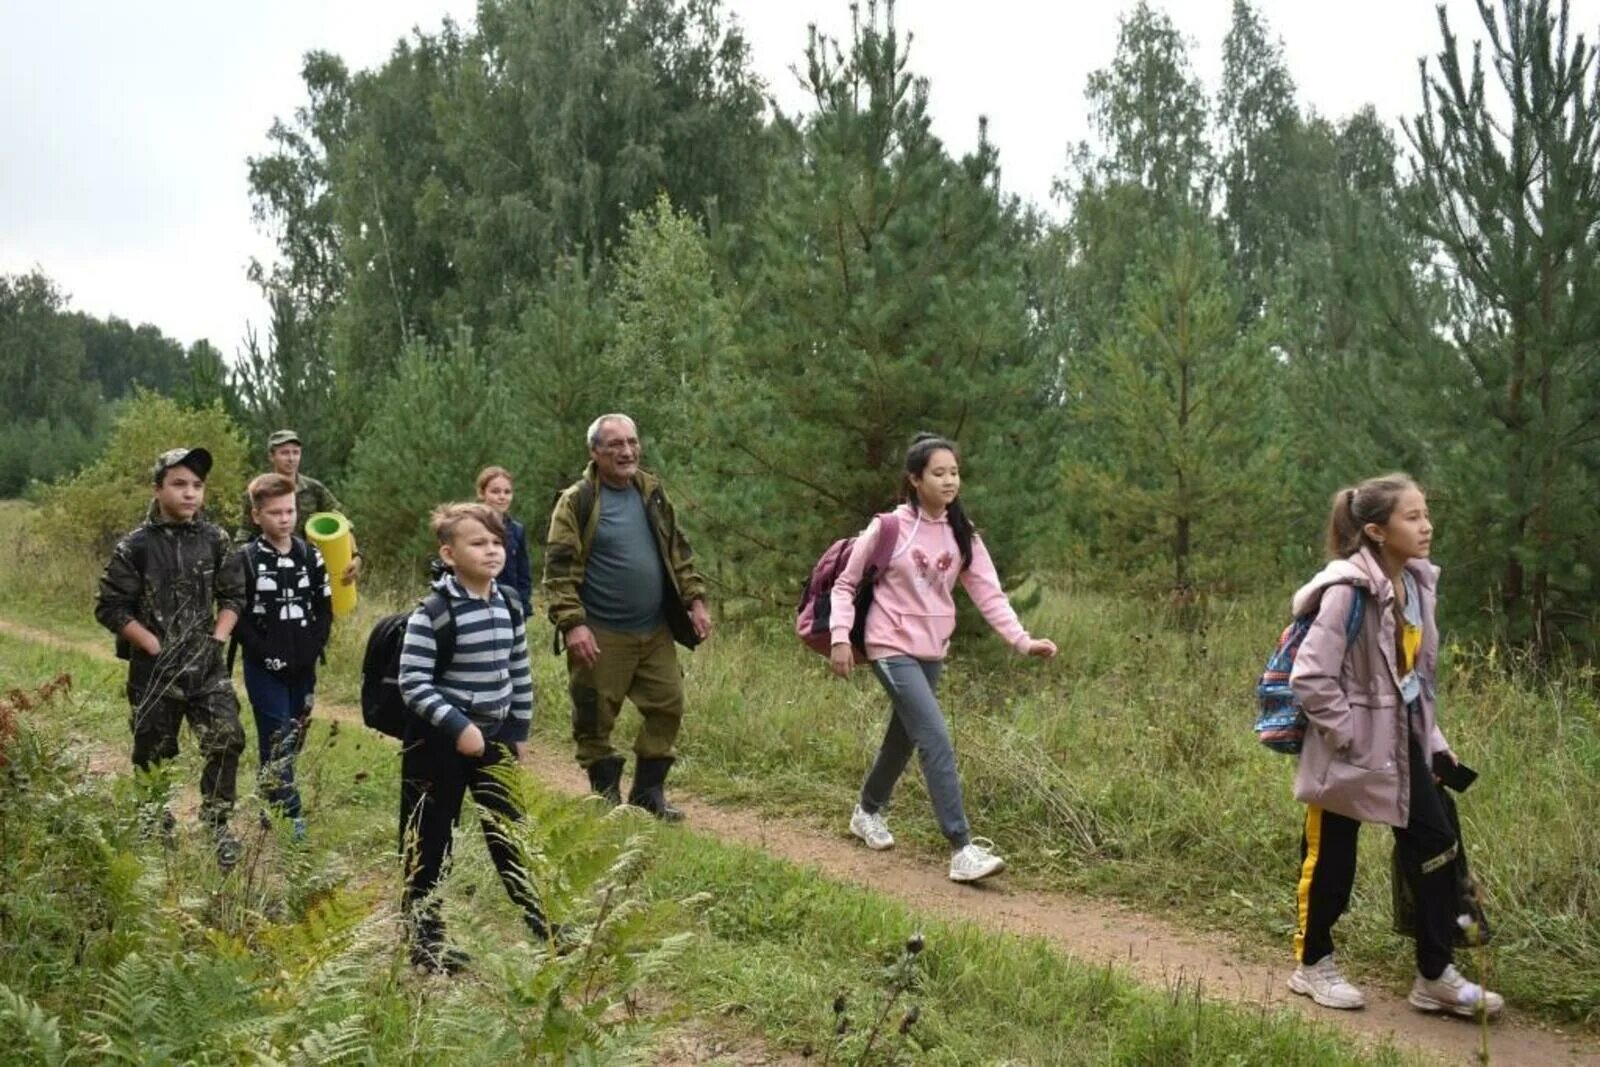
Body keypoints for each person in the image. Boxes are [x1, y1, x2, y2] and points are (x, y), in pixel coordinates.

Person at [1286, 473, 1503, 1017]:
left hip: (1403, 745)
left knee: (1436, 848)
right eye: (1413, 517)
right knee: (1332, 857)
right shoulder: (1345, 591)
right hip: (1349, 751)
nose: (1427, 526)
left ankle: (1433, 975)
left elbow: (1414, 679)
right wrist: (1350, 735)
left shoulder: (1417, 586)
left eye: (1426, 514)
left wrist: (1433, 740)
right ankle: (1313, 965)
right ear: (1378, 531)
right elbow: (1311, 676)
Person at [828, 433, 1056, 883]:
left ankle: (866, 811)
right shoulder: (889, 528)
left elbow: (989, 594)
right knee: (935, 737)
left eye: (954, 472)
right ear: (915, 479)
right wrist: (839, 636)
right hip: (889, 645)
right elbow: (845, 584)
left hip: (932, 649)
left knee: (904, 739)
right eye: (939, 473)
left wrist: (1022, 640)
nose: (950, 481)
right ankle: (961, 847)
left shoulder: (961, 535)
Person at [398, 502, 547, 973]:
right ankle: (426, 937)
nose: (491, 551)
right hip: (440, 741)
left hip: (495, 736)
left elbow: (518, 671)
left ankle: (541, 917)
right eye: (477, 543)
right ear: (448, 553)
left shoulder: (507, 604)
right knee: (431, 837)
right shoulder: (434, 613)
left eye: (497, 542)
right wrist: (458, 727)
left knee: (509, 829)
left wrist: (518, 729)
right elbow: (413, 682)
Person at [542, 413, 712, 820]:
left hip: (654, 630)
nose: (627, 451)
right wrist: (573, 624)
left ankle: (647, 793)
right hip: (601, 633)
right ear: (595, 452)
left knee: (668, 704)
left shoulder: (651, 492)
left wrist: (696, 600)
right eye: (615, 444)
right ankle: (606, 798)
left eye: (632, 442)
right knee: (595, 717)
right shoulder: (577, 501)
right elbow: (559, 569)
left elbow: (678, 551)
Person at [94, 447, 247, 868]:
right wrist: (151, 644)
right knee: (153, 751)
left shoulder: (216, 539)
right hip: (154, 671)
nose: (190, 493)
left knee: (226, 738)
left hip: (206, 667)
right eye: (179, 484)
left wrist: (217, 638)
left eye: (197, 486)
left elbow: (234, 595)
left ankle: (218, 826)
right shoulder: (136, 546)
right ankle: (153, 824)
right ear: (158, 488)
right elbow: (109, 607)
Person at [231, 473, 333, 840]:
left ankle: (268, 797)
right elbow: (237, 616)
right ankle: (293, 819)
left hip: (302, 666)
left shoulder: (310, 555)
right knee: (278, 738)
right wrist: (266, 654)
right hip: (264, 668)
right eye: (275, 512)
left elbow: (324, 608)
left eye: (290, 510)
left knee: (295, 734)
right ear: (257, 516)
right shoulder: (245, 559)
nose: (285, 519)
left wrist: (311, 649)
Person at [236, 429, 363, 587]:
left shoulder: (314, 489)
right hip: (271, 572)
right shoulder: (257, 491)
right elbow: (245, 533)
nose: (291, 458)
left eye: (296, 453)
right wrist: (241, 566)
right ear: (271, 456)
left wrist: (356, 556)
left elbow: (343, 525)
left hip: (310, 569)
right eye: (284, 453)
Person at [476, 466, 533, 617]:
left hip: (511, 607)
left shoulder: (517, 530)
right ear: (482, 493)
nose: (502, 497)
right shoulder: (470, 528)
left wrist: (521, 605)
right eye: (495, 491)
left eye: (507, 492)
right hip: (478, 606)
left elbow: (524, 574)